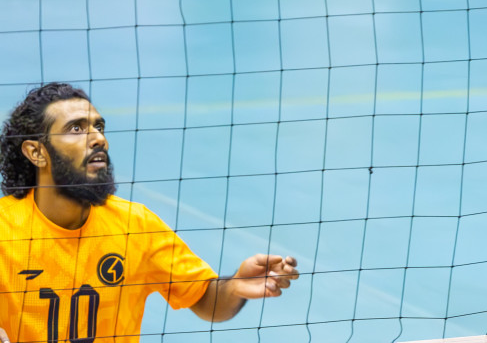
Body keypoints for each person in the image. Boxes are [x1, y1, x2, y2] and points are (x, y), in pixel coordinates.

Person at [0, 83, 300, 343]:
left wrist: (234, 287)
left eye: (99, 126)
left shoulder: (135, 225)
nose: (98, 138)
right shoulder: (5, 230)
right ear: (36, 152)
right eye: (76, 128)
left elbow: (205, 299)